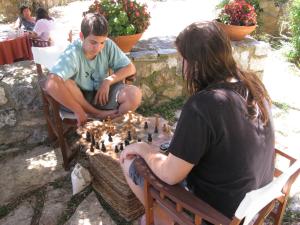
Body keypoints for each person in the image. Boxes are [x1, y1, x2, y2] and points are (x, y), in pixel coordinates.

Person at [120, 21, 275, 225]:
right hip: (252, 207)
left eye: (183, 60)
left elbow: (170, 175)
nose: (181, 67)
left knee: (130, 160)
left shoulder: (203, 105)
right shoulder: (253, 84)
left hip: (216, 216)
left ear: (195, 65)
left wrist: (142, 148)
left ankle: (160, 217)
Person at [45, 13, 142, 126]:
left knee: (134, 94)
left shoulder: (108, 45)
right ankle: (97, 114)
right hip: (80, 100)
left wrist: (108, 81)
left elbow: (130, 68)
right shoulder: (73, 52)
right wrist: (77, 109)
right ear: (82, 36)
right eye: (93, 42)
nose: (98, 48)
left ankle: (113, 127)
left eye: (102, 42)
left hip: (102, 96)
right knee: (67, 82)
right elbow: (51, 83)